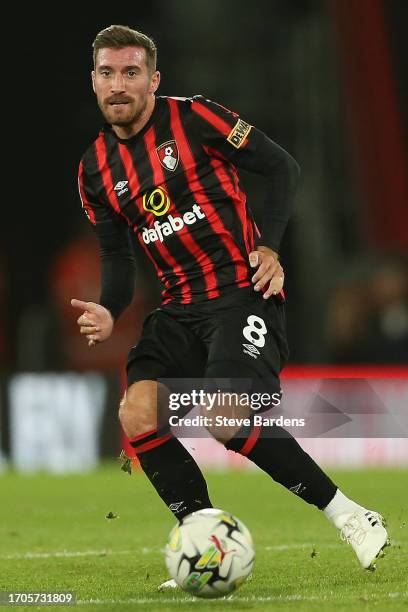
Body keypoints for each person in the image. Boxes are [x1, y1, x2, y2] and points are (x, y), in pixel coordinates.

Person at [72, 25, 388, 586]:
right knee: (138, 412)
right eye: (106, 73)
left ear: (153, 80)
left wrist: (269, 244)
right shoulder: (95, 168)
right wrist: (109, 309)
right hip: (178, 308)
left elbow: (281, 166)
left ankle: (351, 515)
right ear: (93, 81)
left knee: (224, 416)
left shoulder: (195, 117)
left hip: (242, 296)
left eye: (130, 72)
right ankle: (203, 540)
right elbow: (118, 261)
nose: (118, 84)